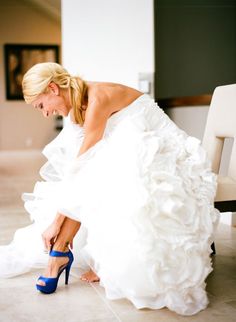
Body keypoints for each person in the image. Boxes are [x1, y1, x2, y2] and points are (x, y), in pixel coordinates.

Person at [0, 62, 219, 315]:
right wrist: (56, 220)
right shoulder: (77, 107)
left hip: (166, 152)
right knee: (98, 174)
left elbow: (83, 168)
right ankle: (63, 254)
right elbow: (77, 169)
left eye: (41, 105)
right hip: (137, 149)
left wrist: (57, 221)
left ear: (52, 89)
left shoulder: (97, 99)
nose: (45, 113)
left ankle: (65, 256)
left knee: (105, 175)